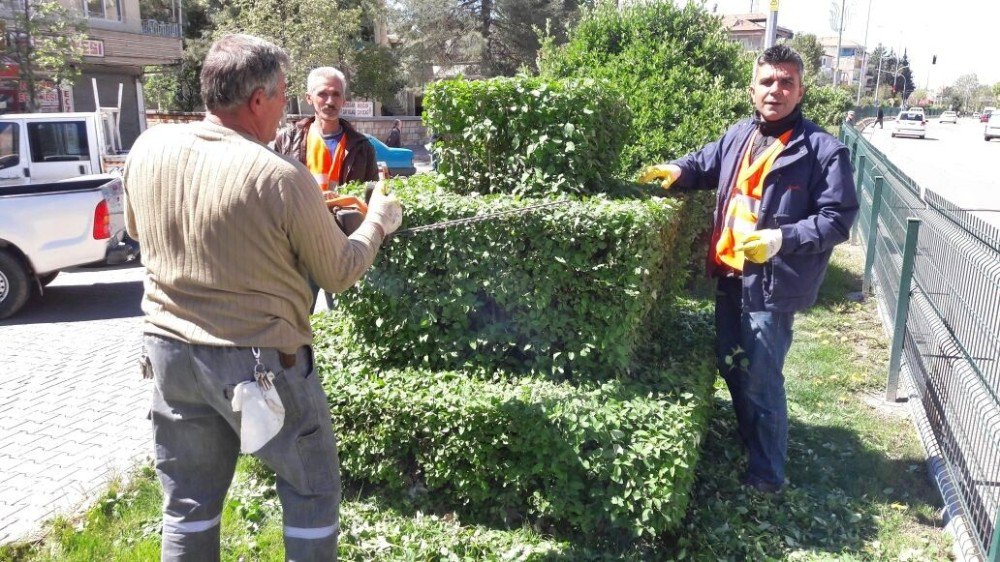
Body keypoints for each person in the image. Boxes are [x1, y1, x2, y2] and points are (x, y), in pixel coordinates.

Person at [123, 34, 402, 561]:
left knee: (187, 506)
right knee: (311, 492)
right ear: (257, 99)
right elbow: (339, 271)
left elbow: (138, 231)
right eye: (281, 95)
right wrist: (378, 223)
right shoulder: (280, 176)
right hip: (259, 363)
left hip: (168, 357)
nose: (286, 106)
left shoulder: (147, 147)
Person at [638, 45, 858, 494]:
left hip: (773, 283)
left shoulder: (823, 151)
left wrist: (781, 240)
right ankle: (751, 441)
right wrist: (676, 170)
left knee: (761, 378)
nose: (775, 90)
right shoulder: (739, 135)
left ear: (800, 91)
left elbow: (837, 219)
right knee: (731, 363)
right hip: (731, 273)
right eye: (767, 81)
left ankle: (768, 476)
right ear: (752, 88)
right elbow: (704, 164)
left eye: (786, 83)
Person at [274, 66, 379, 191]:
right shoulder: (287, 140)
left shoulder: (362, 147)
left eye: (336, 94)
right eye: (322, 94)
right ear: (309, 98)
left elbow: (371, 196)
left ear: (344, 101)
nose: (330, 101)